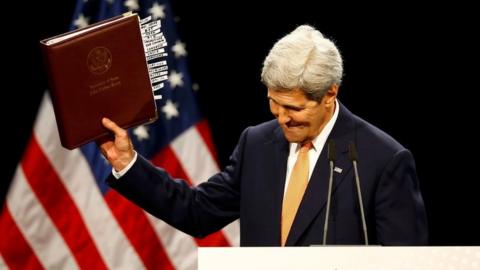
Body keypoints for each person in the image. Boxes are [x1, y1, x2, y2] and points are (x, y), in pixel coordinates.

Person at [98, 25, 428, 246]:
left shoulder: (381, 160)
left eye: (294, 108)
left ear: (330, 94)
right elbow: (196, 211)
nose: (282, 118)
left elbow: (407, 262)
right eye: (273, 102)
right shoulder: (258, 143)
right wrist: (128, 163)